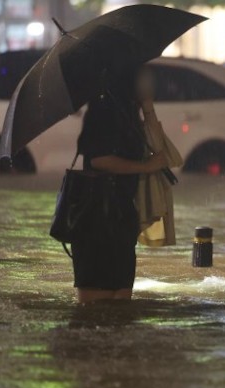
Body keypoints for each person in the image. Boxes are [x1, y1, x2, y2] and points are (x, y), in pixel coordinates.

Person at [71, 68, 168, 304]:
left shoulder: (129, 112)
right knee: (95, 304)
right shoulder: (103, 109)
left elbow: (160, 150)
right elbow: (99, 159)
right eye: (143, 75)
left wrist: (147, 105)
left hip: (121, 216)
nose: (150, 80)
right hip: (96, 218)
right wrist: (145, 167)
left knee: (121, 301)